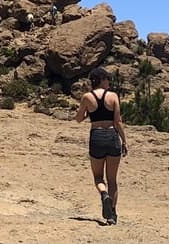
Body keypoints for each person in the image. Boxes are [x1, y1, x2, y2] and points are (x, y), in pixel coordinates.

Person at [72, 66, 128, 225]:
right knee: (112, 179)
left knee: (98, 177)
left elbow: (78, 118)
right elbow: (118, 121)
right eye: (107, 79)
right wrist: (124, 141)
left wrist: (90, 112)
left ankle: (104, 195)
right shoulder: (113, 96)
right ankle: (112, 214)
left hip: (96, 136)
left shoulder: (86, 97)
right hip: (112, 136)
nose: (109, 81)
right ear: (102, 80)